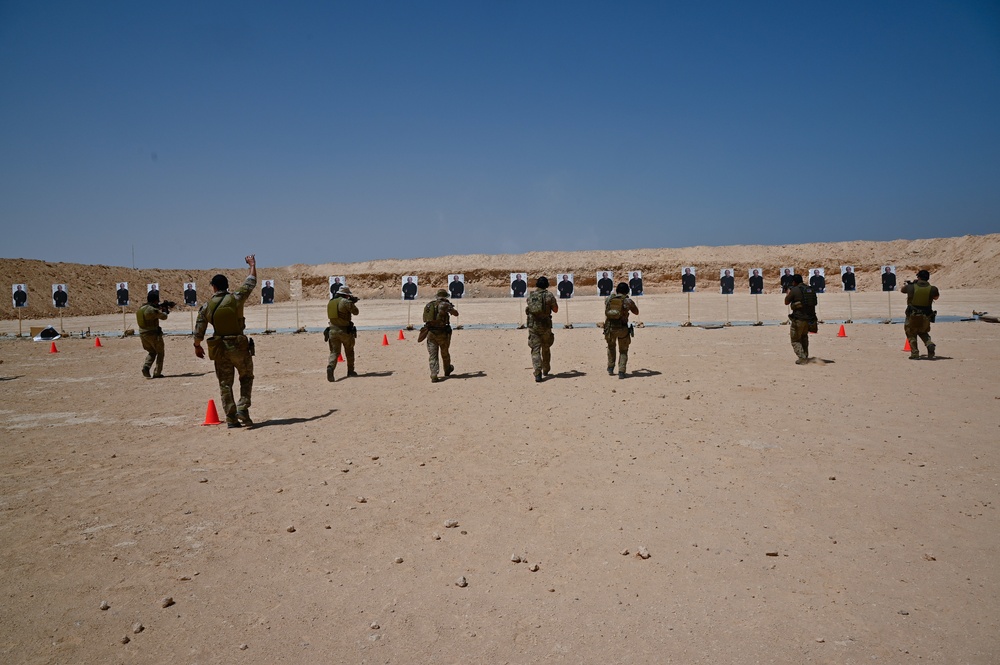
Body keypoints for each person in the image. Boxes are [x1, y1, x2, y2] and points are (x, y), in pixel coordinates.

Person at [193, 255, 257, 429]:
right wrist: (252, 264)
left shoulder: (206, 307)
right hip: (239, 346)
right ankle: (243, 407)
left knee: (225, 384)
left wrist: (197, 346)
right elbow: (251, 282)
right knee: (246, 377)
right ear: (226, 286)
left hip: (220, 349)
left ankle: (231, 419)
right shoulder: (236, 298)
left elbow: (199, 330)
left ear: (213, 287)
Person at [900, 270, 940, 360]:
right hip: (926, 315)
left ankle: (915, 353)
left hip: (912, 315)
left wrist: (912, 284)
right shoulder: (933, 289)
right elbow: (936, 297)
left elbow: (902, 290)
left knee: (911, 333)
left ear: (919, 277)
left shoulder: (911, 287)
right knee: (923, 332)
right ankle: (929, 344)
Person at [526, 276, 559, 382]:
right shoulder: (549, 295)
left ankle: (537, 373)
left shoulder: (531, 296)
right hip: (545, 326)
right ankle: (546, 369)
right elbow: (556, 310)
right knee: (546, 348)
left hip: (533, 326)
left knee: (535, 350)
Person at [604, 282, 639, 379]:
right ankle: (621, 371)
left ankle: (610, 368)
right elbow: (636, 312)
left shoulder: (609, 299)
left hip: (610, 328)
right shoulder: (627, 301)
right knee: (623, 351)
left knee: (611, 347)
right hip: (622, 328)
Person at [424, 289, 459, 383]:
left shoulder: (430, 305)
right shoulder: (444, 305)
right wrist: (450, 307)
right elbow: (456, 313)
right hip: (442, 333)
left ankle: (434, 374)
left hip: (431, 333)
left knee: (433, 355)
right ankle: (447, 369)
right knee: (445, 352)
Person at [784, 274, 818, 365]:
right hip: (810, 319)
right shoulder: (809, 289)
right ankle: (805, 355)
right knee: (804, 337)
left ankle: (802, 358)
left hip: (799, 319)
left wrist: (788, 293)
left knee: (795, 339)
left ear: (794, 282)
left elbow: (786, 302)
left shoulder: (795, 290)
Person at [326, 286, 359, 381]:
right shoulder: (346, 302)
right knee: (349, 351)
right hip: (345, 331)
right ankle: (350, 371)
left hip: (332, 331)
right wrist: (352, 303)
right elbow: (356, 312)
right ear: (345, 295)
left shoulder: (331, 302)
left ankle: (330, 368)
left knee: (334, 352)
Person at [136, 289, 169, 378]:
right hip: (153, 334)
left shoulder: (141, 309)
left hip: (143, 334)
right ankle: (157, 373)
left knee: (152, 351)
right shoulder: (152, 310)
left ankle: (146, 367)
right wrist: (165, 310)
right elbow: (164, 317)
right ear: (155, 300)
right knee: (160, 352)